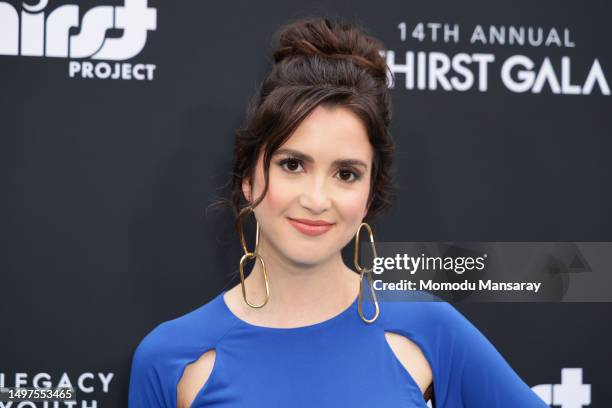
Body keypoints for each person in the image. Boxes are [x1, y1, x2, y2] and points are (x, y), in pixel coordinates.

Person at [128, 17, 549, 408]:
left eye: (346, 174)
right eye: (292, 164)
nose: (317, 198)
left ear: (370, 192)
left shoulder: (430, 330)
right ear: (248, 178)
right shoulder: (171, 358)